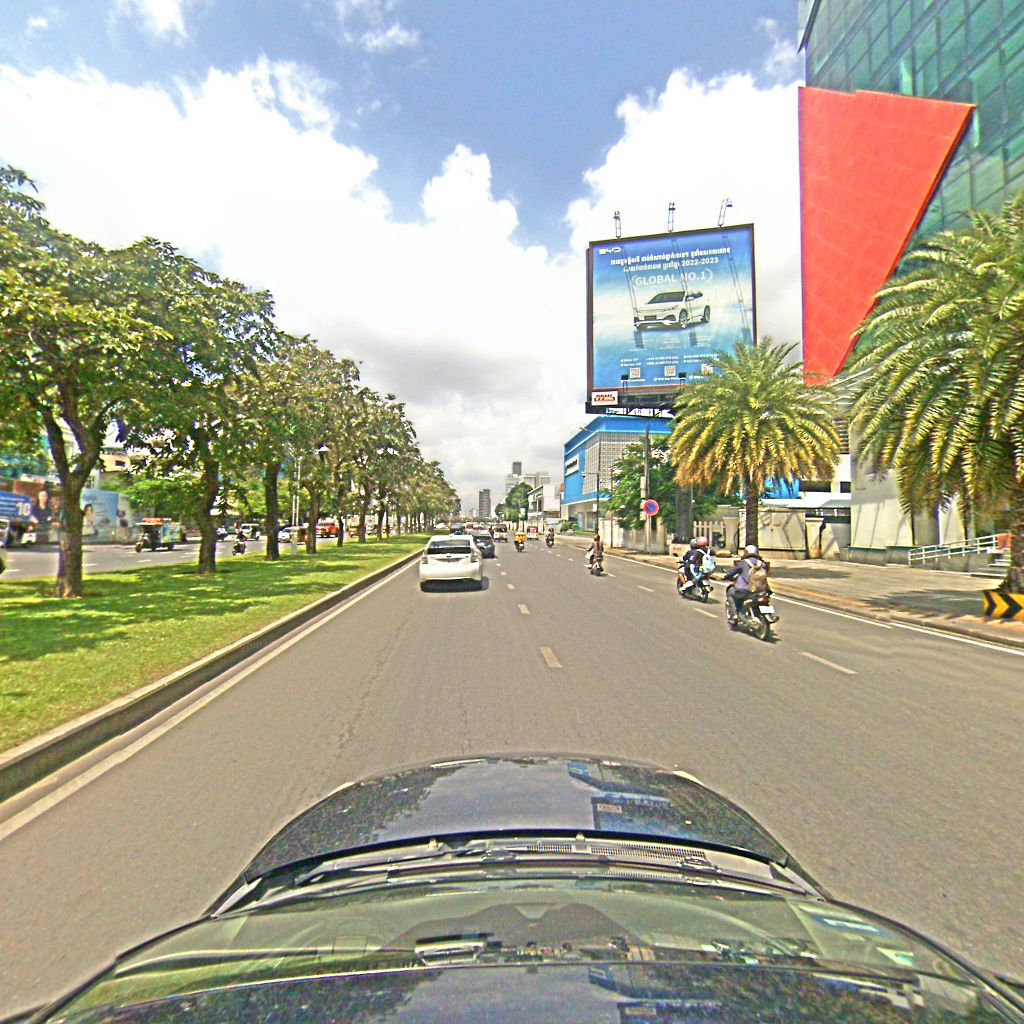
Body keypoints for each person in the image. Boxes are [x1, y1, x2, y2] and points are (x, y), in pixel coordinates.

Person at [724, 544, 769, 625]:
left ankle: (734, 614)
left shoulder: (743, 563)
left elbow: (732, 572)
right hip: (761, 590)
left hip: (745, 590)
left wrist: (726, 576)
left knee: (730, 593)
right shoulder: (762, 564)